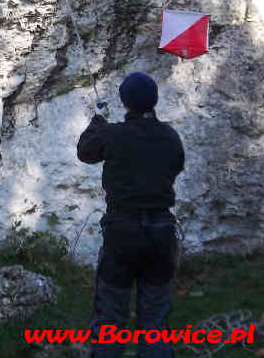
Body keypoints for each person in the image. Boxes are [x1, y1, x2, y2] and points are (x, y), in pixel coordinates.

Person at [77, 72, 185, 358]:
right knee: (155, 322)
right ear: (154, 102)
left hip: (121, 232)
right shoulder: (170, 136)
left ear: (125, 103)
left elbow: (85, 152)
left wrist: (98, 120)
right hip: (161, 232)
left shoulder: (113, 134)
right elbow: (176, 166)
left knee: (111, 317)